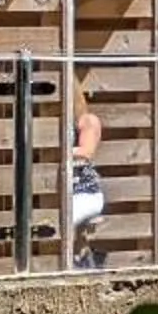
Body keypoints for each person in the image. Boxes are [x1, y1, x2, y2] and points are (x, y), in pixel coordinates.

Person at [69, 98, 104, 268]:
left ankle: (74, 267)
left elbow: (86, 152)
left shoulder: (89, 120)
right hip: (67, 193)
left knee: (64, 220)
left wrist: (56, 149)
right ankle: (83, 261)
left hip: (86, 193)